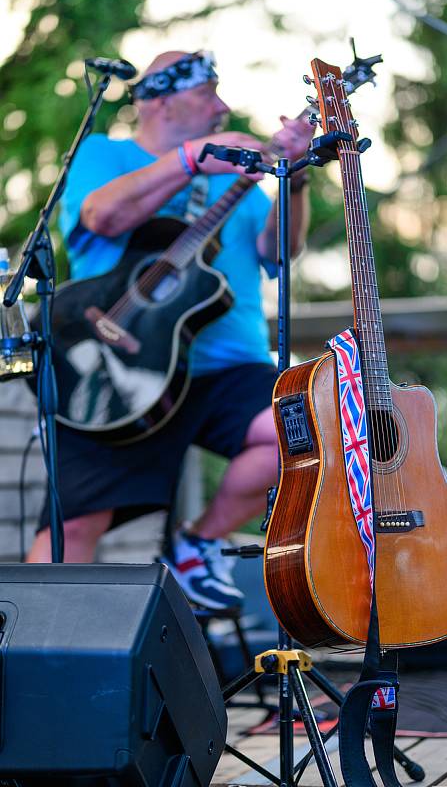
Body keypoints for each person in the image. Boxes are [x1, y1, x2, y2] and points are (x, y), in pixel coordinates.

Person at [27, 50, 315, 610]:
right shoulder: (103, 154)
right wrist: (191, 160)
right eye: (208, 92)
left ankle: (197, 544)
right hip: (119, 371)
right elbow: (101, 217)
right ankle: (39, 656)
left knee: (305, 430)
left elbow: (280, 252)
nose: (222, 106)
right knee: (74, 530)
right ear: (159, 100)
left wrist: (295, 180)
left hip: (226, 365)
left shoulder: (239, 179)